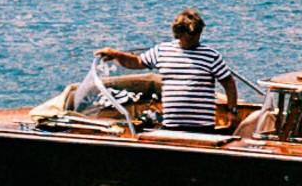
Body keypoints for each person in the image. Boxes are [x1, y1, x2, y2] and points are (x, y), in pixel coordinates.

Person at [98, 8, 240, 131]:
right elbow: (137, 62)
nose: (196, 38)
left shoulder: (211, 56)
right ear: (179, 33)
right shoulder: (163, 51)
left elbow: (228, 83)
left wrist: (232, 111)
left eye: (198, 33)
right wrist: (116, 54)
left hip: (202, 126)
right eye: (191, 35)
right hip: (172, 125)